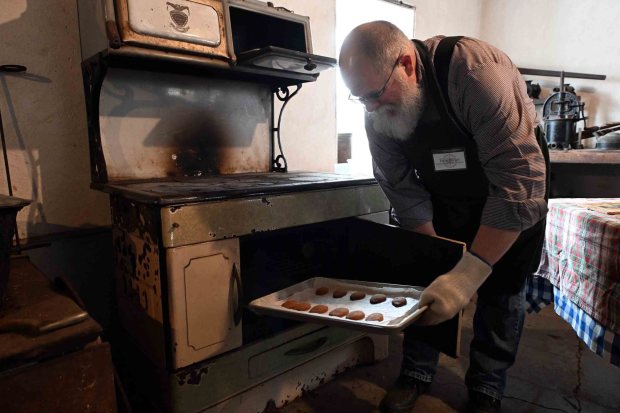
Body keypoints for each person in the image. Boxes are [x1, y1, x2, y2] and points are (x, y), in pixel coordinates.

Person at [339, 21, 549, 413]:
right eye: (359, 98)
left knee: (501, 292)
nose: (370, 108)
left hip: (512, 188)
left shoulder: (476, 75)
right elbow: (400, 185)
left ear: (407, 64)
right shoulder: (377, 111)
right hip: (446, 195)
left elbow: (517, 184)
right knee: (427, 280)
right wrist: (435, 256)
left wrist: (468, 275)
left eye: (375, 94)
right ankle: (416, 372)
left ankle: (487, 385)